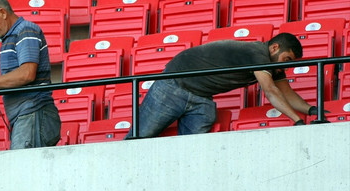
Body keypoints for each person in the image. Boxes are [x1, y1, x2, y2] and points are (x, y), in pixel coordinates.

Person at [126, 33, 320, 138]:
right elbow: (270, 91)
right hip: (173, 86)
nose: (284, 65)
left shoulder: (276, 66)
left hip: (201, 99)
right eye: (286, 59)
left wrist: (314, 110)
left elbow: (287, 93)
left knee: (194, 151)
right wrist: (298, 121)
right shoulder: (257, 53)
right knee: (140, 137)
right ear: (274, 48)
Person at [0, 0, 61, 149]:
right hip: (27, 117)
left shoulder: (25, 30)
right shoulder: (10, 37)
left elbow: (27, 73)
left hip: (34, 113)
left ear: (2, 13)